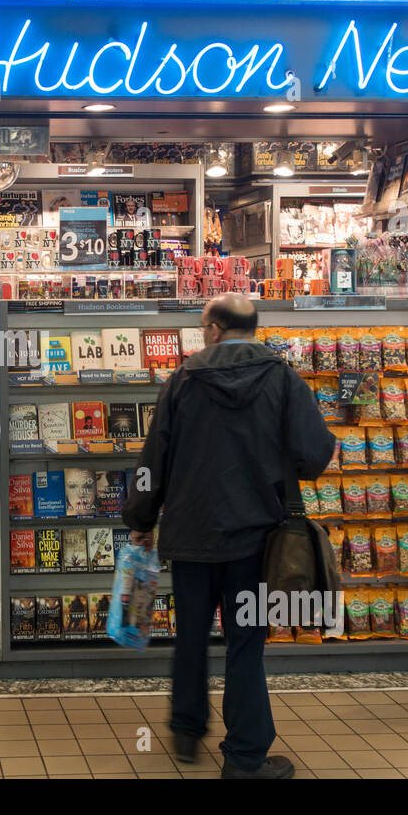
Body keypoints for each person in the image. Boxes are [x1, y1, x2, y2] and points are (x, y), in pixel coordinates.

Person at [121, 293, 334, 780]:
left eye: (202, 325)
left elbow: (154, 462)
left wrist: (140, 520)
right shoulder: (283, 379)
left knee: (190, 637)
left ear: (215, 329)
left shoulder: (182, 381)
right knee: (245, 646)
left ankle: (186, 729)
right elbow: (316, 454)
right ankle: (244, 758)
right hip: (257, 543)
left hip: (191, 538)